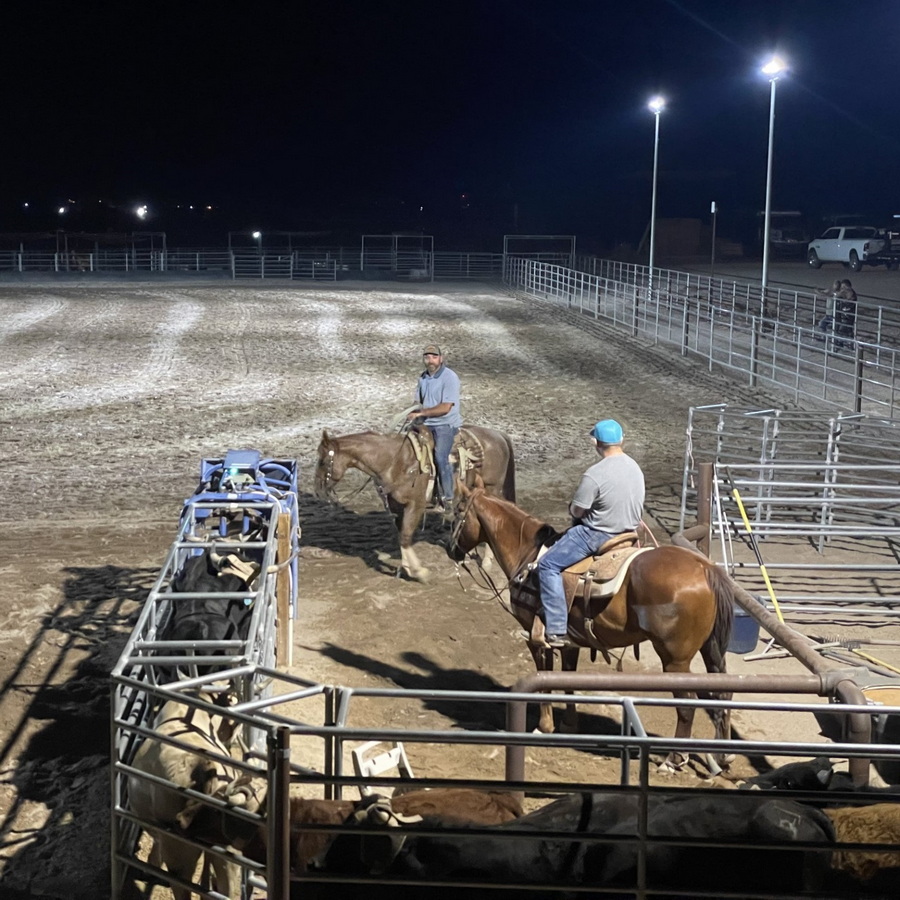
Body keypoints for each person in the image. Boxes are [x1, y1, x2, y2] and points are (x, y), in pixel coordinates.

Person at [538, 419, 645, 649]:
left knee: (547, 565)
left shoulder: (594, 474)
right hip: (629, 531)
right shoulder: (634, 466)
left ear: (596, 443)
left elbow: (578, 510)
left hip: (598, 533)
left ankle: (556, 628)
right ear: (621, 440)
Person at [407, 343, 462, 509]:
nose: (430, 360)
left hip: (445, 424)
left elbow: (446, 407)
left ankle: (448, 497)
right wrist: (412, 412)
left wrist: (422, 414)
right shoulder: (423, 378)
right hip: (426, 422)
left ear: (441, 358)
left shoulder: (450, 377)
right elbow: (419, 402)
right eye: (427, 357)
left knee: (440, 457)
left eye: (434, 357)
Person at [834, 278, 857, 345]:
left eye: (843, 287)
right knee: (843, 330)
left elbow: (838, 296)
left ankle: (846, 343)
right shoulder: (845, 292)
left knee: (844, 330)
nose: (842, 288)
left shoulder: (851, 293)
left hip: (849, 316)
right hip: (843, 315)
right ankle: (843, 343)